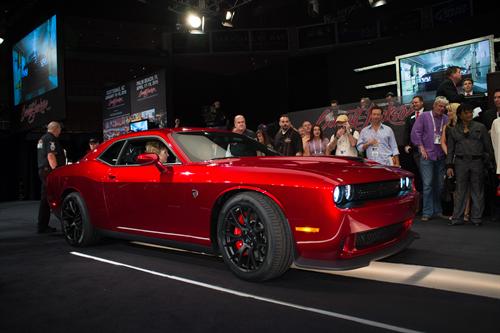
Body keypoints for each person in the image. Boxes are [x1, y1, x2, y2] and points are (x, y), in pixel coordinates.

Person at [446, 103, 493, 226]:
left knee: (477, 190)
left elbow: (488, 147)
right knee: (460, 190)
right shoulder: (453, 130)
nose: (469, 114)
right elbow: (450, 149)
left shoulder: (480, 127)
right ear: (460, 115)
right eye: (466, 112)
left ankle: (476, 218)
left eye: (471, 112)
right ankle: (457, 218)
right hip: (460, 162)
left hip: (477, 161)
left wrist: (488, 161)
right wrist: (449, 165)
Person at [411, 96, 449, 221]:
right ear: (434, 105)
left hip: (441, 156)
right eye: (439, 106)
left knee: (440, 185)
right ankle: (427, 212)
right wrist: (421, 148)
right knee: (427, 184)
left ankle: (437, 210)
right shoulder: (424, 116)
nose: (441, 108)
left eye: (444, 107)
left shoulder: (446, 119)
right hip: (427, 155)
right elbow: (415, 133)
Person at [37, 121, 66, 233]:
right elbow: (50, 155)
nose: (60, 132)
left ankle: (42, 226)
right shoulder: (50, 138)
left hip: (43, 171)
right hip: (49, 171)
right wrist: (56, 171)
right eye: (59, 130)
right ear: (56, 129)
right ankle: (65, 225)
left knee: (45, 199)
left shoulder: (42, 138)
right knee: (54, 197)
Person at [402, 96, 425, 192]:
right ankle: (424, 194)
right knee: (421, 173)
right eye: (413, 103)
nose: (414, 104)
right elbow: (406, 132)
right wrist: (406, 145)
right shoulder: (409, 117)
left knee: (429, 173)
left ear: (422, 103)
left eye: (416, 102)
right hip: (416, 151)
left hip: (429, 150)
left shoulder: (429, 114)